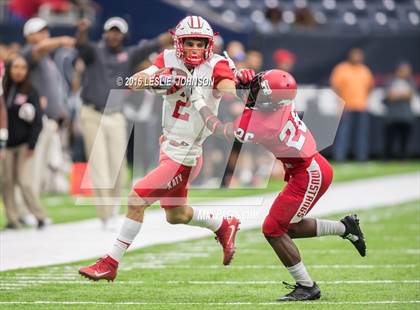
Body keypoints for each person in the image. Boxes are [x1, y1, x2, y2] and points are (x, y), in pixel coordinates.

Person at [78, 15, 254, 281]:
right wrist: (158, 78)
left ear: (208, 44)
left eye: (200, 43)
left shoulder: (217, 65)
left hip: (185, 153)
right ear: (178, 43)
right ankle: (223, 224)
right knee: (177, 214)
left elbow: (229, 90)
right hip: (168, 146)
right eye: (189, 42)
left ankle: (111, 262)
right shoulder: (168, 58)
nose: (195, 48)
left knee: (136, 199)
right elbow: (134, 80)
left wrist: (240, 80)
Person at [190, 69, 366, 301]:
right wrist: (246, 83)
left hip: (308, 174)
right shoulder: (280, 102)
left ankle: (307, 286)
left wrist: (198, 101)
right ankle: (346, 228)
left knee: (273, 229)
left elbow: (220, 129)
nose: (256, 86)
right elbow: (259, 99)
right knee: (287, 227)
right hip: (309, 168)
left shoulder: (261, 123)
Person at [75, 17, 172, 229]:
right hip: (92, 114)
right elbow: (80, 45)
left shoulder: (128, 55)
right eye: (111, 30)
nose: (114, 35)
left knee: (118, 166)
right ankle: (105, 214)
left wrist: (178, 31)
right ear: (105, 33)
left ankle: (114, 209)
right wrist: (81, 30)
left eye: (118, 31)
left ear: (124, 35)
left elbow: (155, 43)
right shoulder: (95, 52)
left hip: (116, 115)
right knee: (99, 165)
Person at [22, 17, 74, 195]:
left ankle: (33, 207)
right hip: (36, 119)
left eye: (46, 31)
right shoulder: (29, 53)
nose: (44, 34)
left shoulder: (47, 60)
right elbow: (40, 48)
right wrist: (62, 40)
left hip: (51, 120)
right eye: (39, 32)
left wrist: (60, 109)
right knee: (33, 167)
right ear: (28, 36)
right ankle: (27, 208)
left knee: (44, 167)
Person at [1, 56, 48, 229]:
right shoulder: (3, 90)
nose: (19, 71)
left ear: (27, 71)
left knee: (24, 180)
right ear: (9, 69)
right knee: (6, 182)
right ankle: (12, 219)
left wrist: (32, 144)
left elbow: (38, 121)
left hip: (23, 145)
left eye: (22, 67)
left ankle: (39, 216)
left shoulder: (30, 91)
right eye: (15, 67)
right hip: (5, 144)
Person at [330, 48, 374, 162]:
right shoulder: (342, 69)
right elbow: (335, 87)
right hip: (346, 106)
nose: (357, 57)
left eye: (359, 55)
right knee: (343, 134)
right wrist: (340, 102)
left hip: (361, 106)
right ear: (350, 56)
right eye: (355, 55)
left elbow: (370, 86)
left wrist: (364, 98)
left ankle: (362, 158)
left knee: (362, 134)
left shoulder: (365, 70)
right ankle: (339, 157)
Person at [384, 62, 416, 160]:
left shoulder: (410, 81)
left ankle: (404, 158)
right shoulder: (391, 81)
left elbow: (410, 96)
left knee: (405, 140)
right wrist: (402, 95)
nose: (406, 72)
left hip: (406, 116)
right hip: (392, 116)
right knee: (390, 140)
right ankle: (387, 158)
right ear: (398, 70)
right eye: (404, 70)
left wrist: (397, 95)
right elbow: (390, 96)